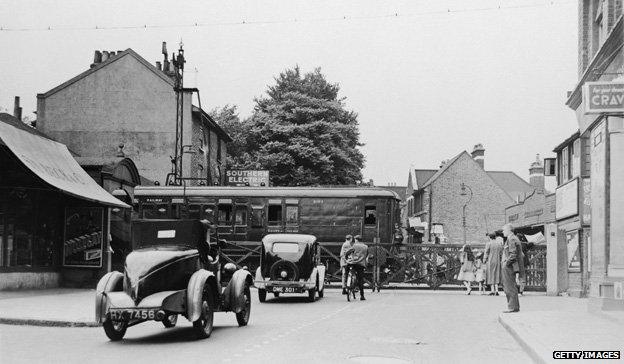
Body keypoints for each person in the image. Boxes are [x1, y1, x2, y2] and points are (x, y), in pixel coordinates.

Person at [501, 223, 520, 313]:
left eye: (504, 230)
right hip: (511, 266)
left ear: (509, 230)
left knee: (509, 287)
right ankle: (514, 306)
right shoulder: (513, 238)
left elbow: (513, 255)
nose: (503, 232)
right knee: (511, 286)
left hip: (509, 267)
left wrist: (506, 264)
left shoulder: (511, 239)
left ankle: (511, 307)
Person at [344, 235, 369, 300]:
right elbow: (367, 255)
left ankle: (346, 282)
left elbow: (348, 252)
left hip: (352, 263)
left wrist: (346, 258)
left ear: (357, 239)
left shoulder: (354, 245)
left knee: (346, 270)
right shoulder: (365, 247)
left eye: (355, 239)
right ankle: (362, 296)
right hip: (360, 264)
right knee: (360, 279)